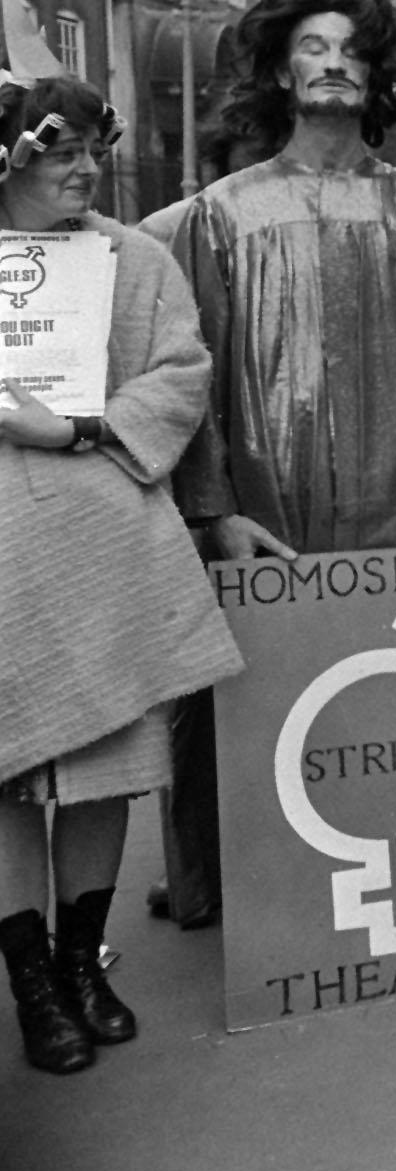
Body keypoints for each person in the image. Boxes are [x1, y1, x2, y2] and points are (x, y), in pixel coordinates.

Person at [166, 0, 396, 920]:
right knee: (249, 691)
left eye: (353, 50)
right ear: (277, 69)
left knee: (386, 688)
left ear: (377, 74)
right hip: (267, 506)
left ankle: (389, 857)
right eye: (312, 47)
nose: (335, 64)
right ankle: (230, 886)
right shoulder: (223, 214)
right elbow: (193, 372)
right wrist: (215, 508)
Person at [0, 76, 246, 1073]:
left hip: (107, 550)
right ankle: (32, 988)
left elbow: (181, 373)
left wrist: (77, 427)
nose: (84, 167)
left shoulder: (134, 258)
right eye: (58, 151)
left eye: (94, 148)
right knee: (9, 779)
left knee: (104, 772)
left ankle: (82, 963)